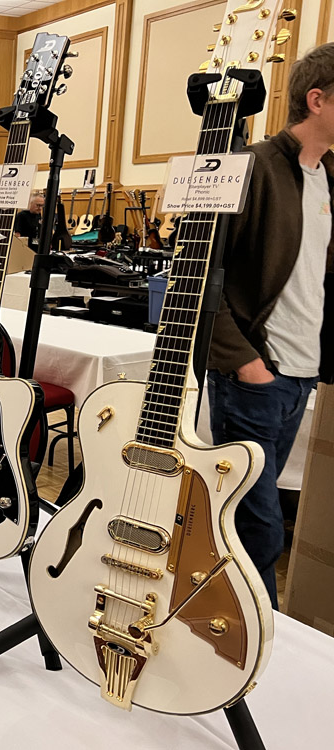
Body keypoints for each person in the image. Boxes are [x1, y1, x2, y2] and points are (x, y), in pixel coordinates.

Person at [207, 43, 334, 609]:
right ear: (317, 99)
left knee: (249, 520)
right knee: (256, 529)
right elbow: (202, 275)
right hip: (256, 377)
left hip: (299, 377)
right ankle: (254, 644)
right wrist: (247, 364)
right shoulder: (254, 166)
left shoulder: (327, 177)